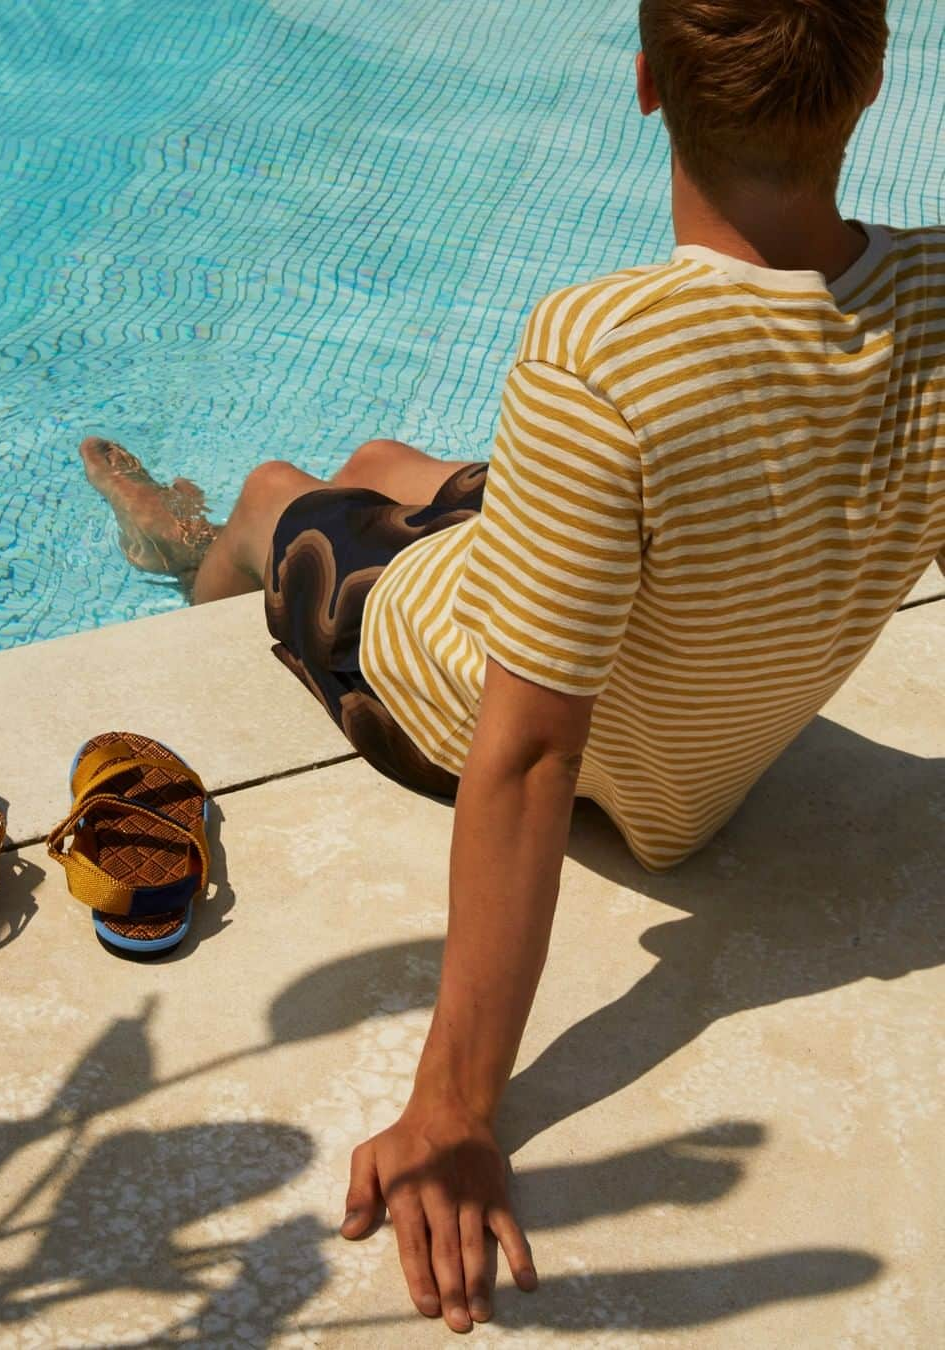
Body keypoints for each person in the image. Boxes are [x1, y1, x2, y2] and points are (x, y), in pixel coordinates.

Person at [82, 0, 943, 1331]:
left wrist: (455, 1105)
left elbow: (532, 750)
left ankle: (187, 546)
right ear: (880, 69)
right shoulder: (934, 306)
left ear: (648, 82)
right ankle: (362, 491)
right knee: (390, 462)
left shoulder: (597, 355)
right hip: (678, 585)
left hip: (461, 655)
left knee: (288, 491)